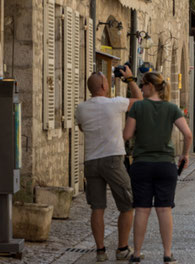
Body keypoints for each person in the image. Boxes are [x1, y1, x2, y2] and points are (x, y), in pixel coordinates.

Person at [123, 72, 193, 264]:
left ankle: (136, 254)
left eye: (143, 84)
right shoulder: (171, 108)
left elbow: (127, 135)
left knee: (142, 209)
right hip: (165, 164)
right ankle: (168, 254)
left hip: (142, 164)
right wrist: (184, 155)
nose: (142, 87)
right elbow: (187, 134)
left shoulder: (138, 107)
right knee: (164, 210)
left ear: (150, 86)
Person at [75, 66, 142, 262]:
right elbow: (140, 102)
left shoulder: (81, 108)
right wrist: (130, 80)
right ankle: (122, 248)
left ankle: (100, 251)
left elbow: (81, 127)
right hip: (112, 159)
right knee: (127, 204)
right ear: (105, 85)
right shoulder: (115, 103)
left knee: (97, 207)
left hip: (91, 161)